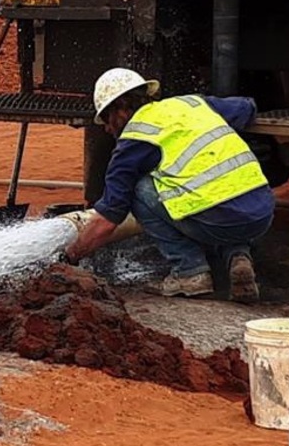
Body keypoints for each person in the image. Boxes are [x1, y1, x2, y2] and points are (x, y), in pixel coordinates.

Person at [63, 67, 276, 303]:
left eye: (105, 118)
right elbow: (247, 107)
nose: (106, 128)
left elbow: (108, 219)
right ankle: (238, 256)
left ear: (120, 109)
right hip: (261, 213)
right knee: (222, 195)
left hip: (218, 221)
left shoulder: (131, 143)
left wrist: (72, 254)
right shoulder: (191, 104)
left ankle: (190, 273)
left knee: (139, 191)